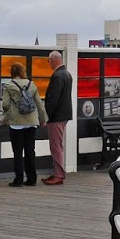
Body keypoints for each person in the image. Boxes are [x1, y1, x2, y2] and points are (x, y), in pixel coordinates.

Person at [0, 62, 47, 187]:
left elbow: (4, 105)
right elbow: (39, 105)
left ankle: (18, 179)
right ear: (22, 72)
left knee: (18, 151)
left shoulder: (9, 86)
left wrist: (9, 112)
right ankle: (32, 178)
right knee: (30, 150)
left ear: (12, 72)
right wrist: (43, 119)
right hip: (31, 122)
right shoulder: (32, 85)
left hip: (16, 123)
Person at [41, 51, 73, 185]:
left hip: (56, 117)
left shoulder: (57, 76)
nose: (48, 63)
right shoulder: (67, 74)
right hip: (63, 115)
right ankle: (56, 172)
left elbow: (52, 100)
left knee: (55, 146)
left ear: (53, 60)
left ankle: (58, 175)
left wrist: (45, 117)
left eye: (48, 60)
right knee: (57, 145)